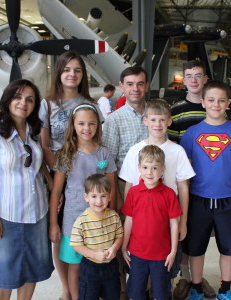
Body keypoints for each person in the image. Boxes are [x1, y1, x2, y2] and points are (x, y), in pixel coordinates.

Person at [0, 79, 54, 300]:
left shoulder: (33, 131)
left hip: (36, 213)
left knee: (32, 271)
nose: (23, 103)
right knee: (4, 275)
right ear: (8, 100)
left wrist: (50, 181)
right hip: (5, 215)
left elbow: (35, 164)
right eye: (18, 97)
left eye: (30, 100)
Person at [180, 81, 231, 300]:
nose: (216, 104)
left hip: (229, 201)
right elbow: (185, 170)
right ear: (202, 102)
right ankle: (196, 288)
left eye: (221, 100)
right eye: (211, 100)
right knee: (195, 248)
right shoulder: (192, 133)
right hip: (198, 201)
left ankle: (225, 288)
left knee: (228, 248)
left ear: (228, 103)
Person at [39, 51, 103, 300]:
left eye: (77, 70)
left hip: (84, 180)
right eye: (67, 69)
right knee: (62, 236)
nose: (72, 74)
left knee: (89, 231)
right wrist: (62, 173)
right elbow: (45, 145)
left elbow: (96, 142)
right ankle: (67, 289)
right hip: (58, 174)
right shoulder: (47, 104)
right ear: (58, 72)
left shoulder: (91, 103)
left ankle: (87, 286)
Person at [119, 99, 195, 296]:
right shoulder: (135, 150)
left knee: (164, 274)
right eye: (153, 119)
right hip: (142, 222)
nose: (157, 124)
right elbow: (129, 184)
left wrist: (183, 221)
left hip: (167, 220)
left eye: (162, 120)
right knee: (139, 276)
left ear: (169, 121)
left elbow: (183, 187)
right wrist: (129, 219)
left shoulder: (177, 151)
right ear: (145, 121)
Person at [49, 104, 117, 300]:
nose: (86, 128)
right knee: (75, 266)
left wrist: (114, 219)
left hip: (100, 222)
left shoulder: (103, 154)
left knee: (97, 264)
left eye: (91, 123)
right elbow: (56, 192)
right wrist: (54, 223)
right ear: (73, 125)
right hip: (73, 221)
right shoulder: (66, 154)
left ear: (97, 126)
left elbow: (111, 190)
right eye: (81, 123)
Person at [167, 60, 216, 299]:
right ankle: (185, 277)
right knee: (182, 230)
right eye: (189, 76)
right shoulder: (175, 110)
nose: (194, 80)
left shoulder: (214, 107)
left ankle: (197, 277)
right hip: (184, 183)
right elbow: (173, 146)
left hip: (209, 183)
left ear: (205, 79)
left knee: (200, 233)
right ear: (183, 80)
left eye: (198, 75)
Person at [101, 66, 150, 299]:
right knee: (122, 234)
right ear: (122, 87)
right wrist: (115, 195)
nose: (135, 89)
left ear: (146, 86)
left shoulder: (154, 113)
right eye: (130, 84)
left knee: (149, 234)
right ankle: (122, 287)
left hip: (153, 188)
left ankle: (148, 286)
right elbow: (109, 160)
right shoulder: (115, 120)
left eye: (140, 83)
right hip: (123, 186)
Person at [121, 145, 183, 300]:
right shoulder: (133, 193)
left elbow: (174, 224)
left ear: (163, 169)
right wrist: (123, 246)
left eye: (154, 168)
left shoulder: (169, 194)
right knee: (135, 292)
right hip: (136, 253)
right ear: (139, 168)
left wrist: (173, 251)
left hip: (162, 255)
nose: (149, 172)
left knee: (162, 293)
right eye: (145, 167)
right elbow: (129, 221)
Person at [70, 174, 123, 300]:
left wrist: (114, 248)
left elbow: (119, 236)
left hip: (111, 267)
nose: (99, 201)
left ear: (109, 197)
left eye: (103, 196)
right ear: (86, 197)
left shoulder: (114, 216)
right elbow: (76, 245)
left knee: (113, 296)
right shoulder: (81, 221)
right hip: (90, 268)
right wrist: (94, 255)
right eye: (94, 196)